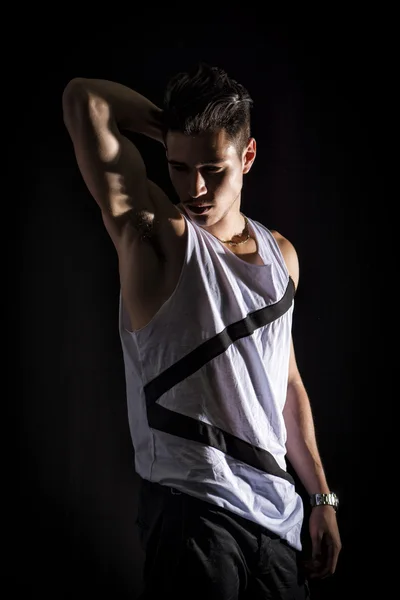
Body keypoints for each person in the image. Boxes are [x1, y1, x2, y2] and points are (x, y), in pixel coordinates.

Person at [62, 62, 341, 599]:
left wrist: (322, 499)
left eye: (213, 169)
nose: (193, 187)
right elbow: (84, 99)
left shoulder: (282, 258)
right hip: (193, 509)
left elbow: (287, 388)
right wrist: (166, 128)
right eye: (178, 166)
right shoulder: (158, 242)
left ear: (248, 157)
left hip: (277, 517)